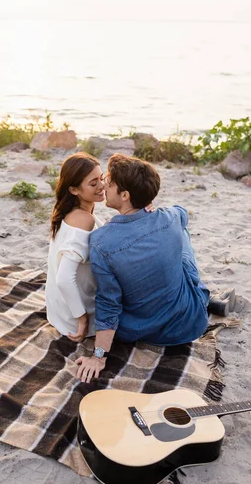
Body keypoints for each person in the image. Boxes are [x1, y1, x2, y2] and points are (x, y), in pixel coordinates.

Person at [76, 153, 210, 383]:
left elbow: (108, 303)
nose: (105, 184)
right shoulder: (169, 216)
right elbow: (183, 213)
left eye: (110, 181)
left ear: (125, 195)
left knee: (172, 240)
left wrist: (99, 357)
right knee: (181, 234)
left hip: (143, 330)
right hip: (191, 321)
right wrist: (149, 205)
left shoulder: (100, 241)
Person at [45, 152, 105, 343]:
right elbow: (63, 278)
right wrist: (82, 318)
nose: (101, 186)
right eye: (93, 183)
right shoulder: (83, 220)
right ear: (74, 190)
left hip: (58, 311)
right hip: (75, 318)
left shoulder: (67, 212)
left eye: (101, 178)